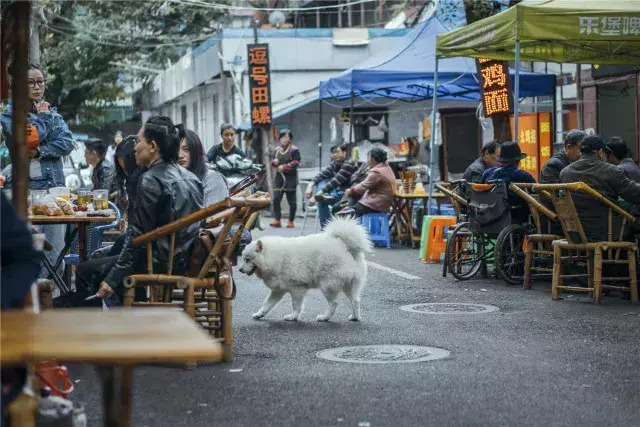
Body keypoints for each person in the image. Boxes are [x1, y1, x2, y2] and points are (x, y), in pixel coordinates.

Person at [75, 116, 203, 305]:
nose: (135, 147)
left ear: (152, 146)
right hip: (186, 258)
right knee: (113, 252)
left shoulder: (150, 180)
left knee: (85, 271)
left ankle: (99, 331)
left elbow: (137, 237)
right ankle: (134, 317)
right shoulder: (191, 177)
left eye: (139, 141)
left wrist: (113, 278)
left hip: (160, 261)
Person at [0, 63, 74, 277]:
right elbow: (26, 140)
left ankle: (52, 300)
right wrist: (44, 121)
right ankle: (29, 303)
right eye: (30, 83)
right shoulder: (9, 116)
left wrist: (40, 150)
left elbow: (67, 143)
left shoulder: (52, 113)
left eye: (40, 82)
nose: (37, 87)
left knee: (55, 252)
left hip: (55, 192)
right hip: (25, 193)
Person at [560, 134, 640, 242]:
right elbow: (634, 194)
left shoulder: (565, 173)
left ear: (581, 151)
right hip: (608, 233)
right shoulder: (610, 171)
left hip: (577, 234)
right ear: (600, 152)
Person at [481, 141, 536, 224]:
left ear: (501, 160)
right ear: (518, 161)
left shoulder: (487, 173)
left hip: (490, 215)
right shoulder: (522, 176)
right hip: (513, 217)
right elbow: (536, 191)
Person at [178, 128, 229, 206]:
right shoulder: (176, 180)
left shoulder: (212, 179)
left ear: (196, 151)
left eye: (186, 149)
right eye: (176, 151)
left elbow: (213, 216)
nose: (180, 155)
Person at [344, 147, 396, 217]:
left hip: (377, 202)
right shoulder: (386, 167)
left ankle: (354, 224)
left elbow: (363, 186)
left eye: (368, 159)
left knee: (354, 211)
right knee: (354, 204)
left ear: (373, 160)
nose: (367, 161)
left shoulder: (377, 171)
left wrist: (351, 190)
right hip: (385, 200)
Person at [270, 129, 300, 228]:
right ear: (280, 139)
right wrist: (274, 162)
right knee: (276, 198)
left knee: (292, 201)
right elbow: (273, 163)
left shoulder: (294, 150)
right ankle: (277, 220)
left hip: (290, 178)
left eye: (287, 137)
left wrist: (285, 167)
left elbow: (296, 162)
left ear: (290, 139)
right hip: (279, 178)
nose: (285, 139)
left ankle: (290, 221)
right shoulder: (276, 150)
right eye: (283, 137)